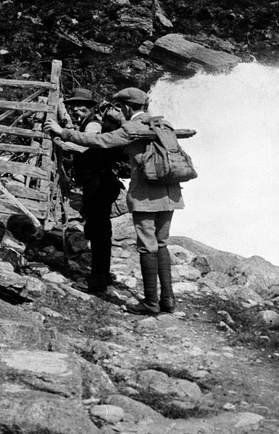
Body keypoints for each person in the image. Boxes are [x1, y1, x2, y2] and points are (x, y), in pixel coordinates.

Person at [45, 87, 183, 315]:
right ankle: (167, 299)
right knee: (161, 243)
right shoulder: (163, 124)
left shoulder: (130, 128)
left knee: (147, 245)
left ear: (127, 107)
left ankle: (150, 303)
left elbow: (98, 141)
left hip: (146, 195)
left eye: (120, 108)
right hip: (170, 192)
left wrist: (62, 131)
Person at [57, 88, 124, 294]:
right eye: (74, 105)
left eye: (81, 105)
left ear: (92, 106)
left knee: (99, 231)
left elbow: (84, 147)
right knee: (99, 231)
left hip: (100, 183)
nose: (76, 109)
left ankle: (97, 279)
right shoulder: (88, 123)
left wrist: (58, 140)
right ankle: (102, 274)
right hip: (98, 182)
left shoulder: (94, 124)